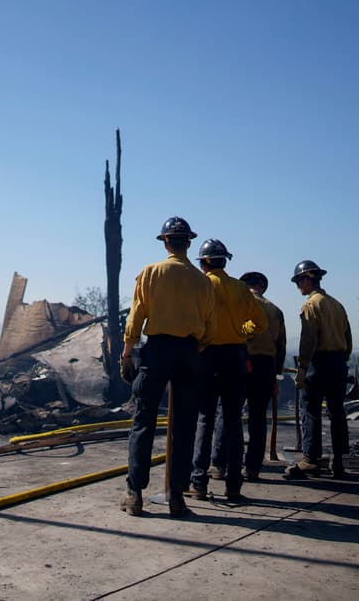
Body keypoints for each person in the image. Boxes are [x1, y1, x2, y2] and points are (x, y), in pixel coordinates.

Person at [119, 217, 215, 518]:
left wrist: (126, 352)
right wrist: (193, 350)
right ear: (188, 243)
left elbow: (136, 316)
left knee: (144, 421)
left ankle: (135, 494)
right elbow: (209, 327)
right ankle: (177, 497)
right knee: (185, 426)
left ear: (165, 242)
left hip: (157, 350)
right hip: (189, 352)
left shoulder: (151, 273)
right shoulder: (202, 281)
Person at [186, 240, 267, 503]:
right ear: (224, 261)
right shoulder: (240, 288)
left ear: (204, 262)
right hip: (235, 356)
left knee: (204, 419)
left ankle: (198, 483)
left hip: (207, 355)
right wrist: (239, 333)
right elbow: (260, 323)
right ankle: (233, 486)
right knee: (232, 421)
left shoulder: (200, 285)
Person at [286, 260, 352, 479]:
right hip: (338, 363)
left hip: (319, 362)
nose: (298, 287)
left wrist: (302, 368)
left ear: (306, 279)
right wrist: (341, 361)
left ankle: (310, 459)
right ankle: (339, 460)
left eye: (298, 281)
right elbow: (348, 339)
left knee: (311, 410)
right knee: (337, 411)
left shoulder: (311, 305)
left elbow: (308, 340)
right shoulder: (336, 304)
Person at [240, 271, 287, 481]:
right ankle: (252, 468)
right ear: (262, 287)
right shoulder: (275, 310)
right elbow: (281, 345)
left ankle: (221, 464)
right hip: (266, 366)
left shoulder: (239, 306)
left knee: (229, 415)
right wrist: (276, 374)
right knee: (258, 418)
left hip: (241, 362)